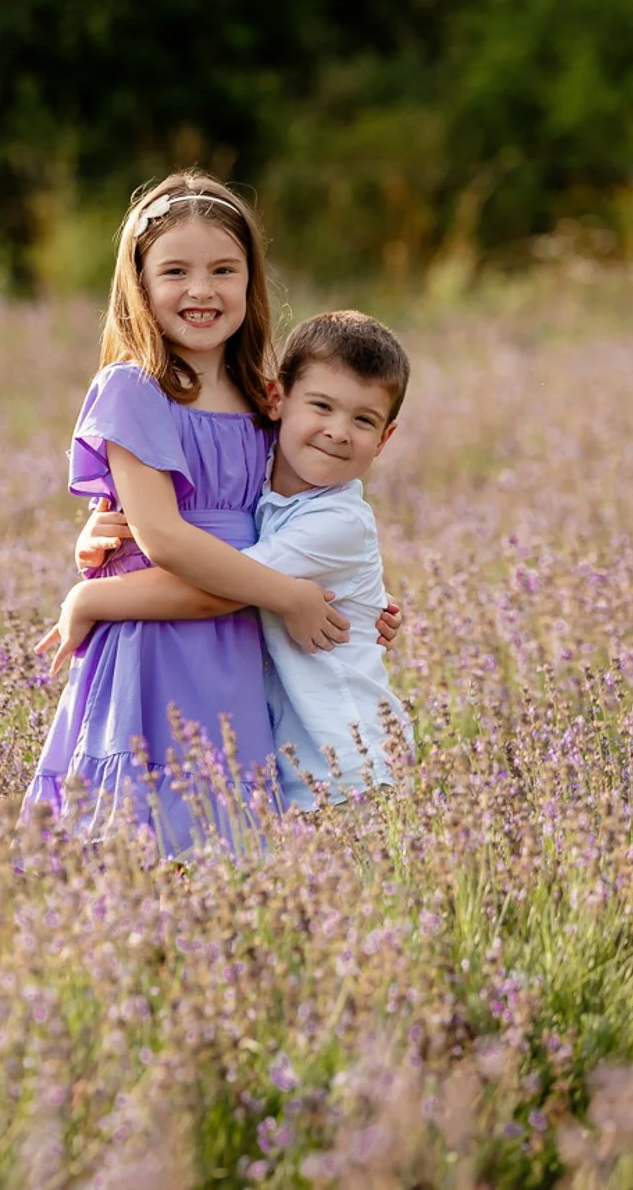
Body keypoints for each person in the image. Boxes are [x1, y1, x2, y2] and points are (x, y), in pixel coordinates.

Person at [21, 171, 398, 852]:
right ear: (138, 283)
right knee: (144, 829)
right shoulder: (134, 386)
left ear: (250, 282)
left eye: (224, 269)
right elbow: (164, 536)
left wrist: (354, 598)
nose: (201, 290)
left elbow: (289, 508)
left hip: (238, 644)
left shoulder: (262, 391)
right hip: (157, 631)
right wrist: (287, 594)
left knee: (225, 830)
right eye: (175, 271)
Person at [39, 310, 414, 810]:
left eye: (363, 420)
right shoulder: (259, 477)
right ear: (277, 400)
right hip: (294, 760)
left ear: (385, 439)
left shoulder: (336, 523)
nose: (338, 431)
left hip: (350, 763)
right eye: (321, 406)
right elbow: (199, 514)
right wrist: (103, 533)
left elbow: (222, 586)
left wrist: (89, 598)